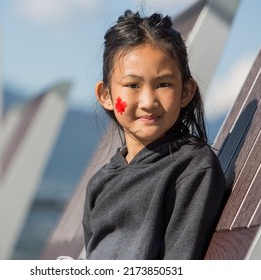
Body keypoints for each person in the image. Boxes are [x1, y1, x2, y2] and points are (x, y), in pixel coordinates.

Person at [82, 10, 226, 260]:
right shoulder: (99, 184)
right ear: (105, 95)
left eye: (163, 84)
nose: (148, 101)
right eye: (133, 85)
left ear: (185, 91)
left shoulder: (191, 168)